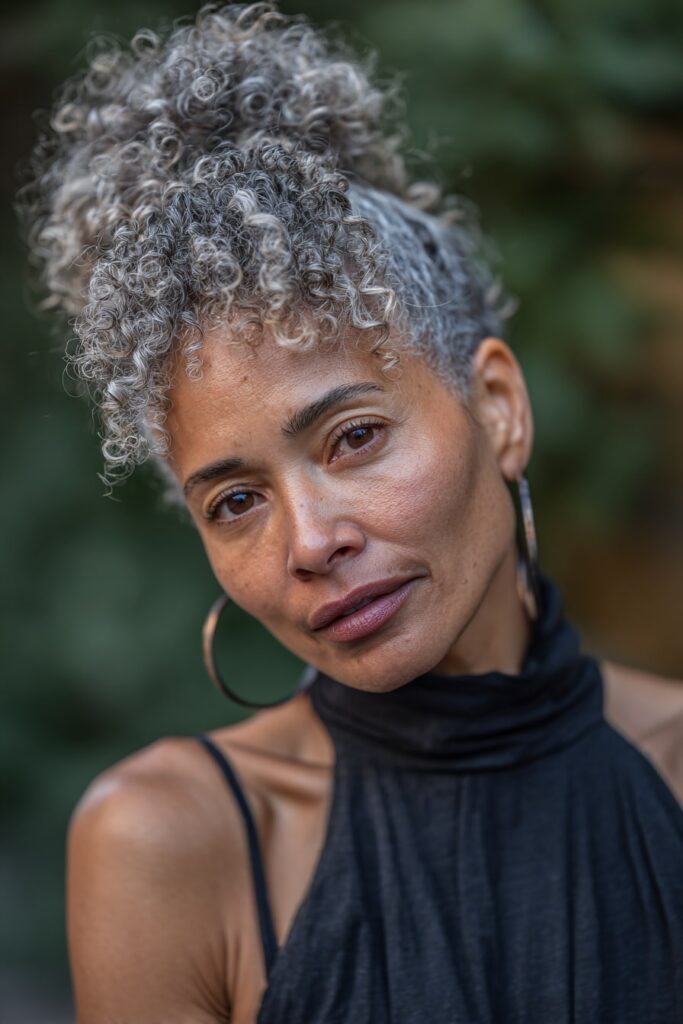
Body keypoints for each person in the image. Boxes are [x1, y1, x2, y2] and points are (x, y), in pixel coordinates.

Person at [18, 3, 682, 1022]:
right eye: (236, 500)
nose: (310, 540)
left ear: (496, 409)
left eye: (353, 437)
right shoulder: (172, 845)